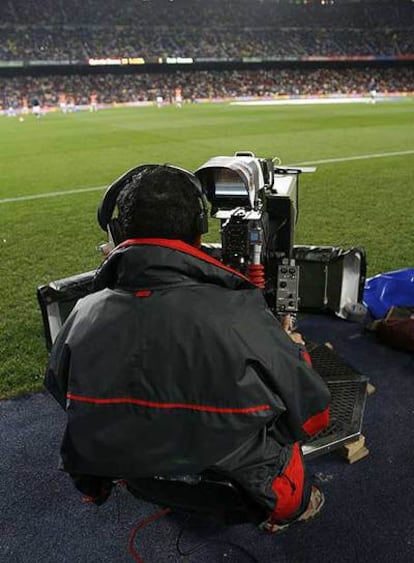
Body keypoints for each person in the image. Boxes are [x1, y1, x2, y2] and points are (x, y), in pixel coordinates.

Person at [44, 164, 330, 533]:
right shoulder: (239, 314)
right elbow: (313, 418)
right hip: (237, 488)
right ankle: (292, 508)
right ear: (199, 229)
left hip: (139, 479)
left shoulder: (82, 314)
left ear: (118, 233)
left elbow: (61, 393)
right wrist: (293, 351)